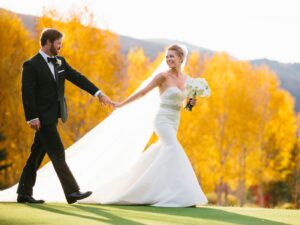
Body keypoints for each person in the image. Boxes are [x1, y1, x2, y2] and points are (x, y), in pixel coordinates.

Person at [17, 28, 114, 204]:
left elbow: (78, 78)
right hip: (41, 118)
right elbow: (27, 93)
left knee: (36, 154)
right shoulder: (30, 65)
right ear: (47, 42)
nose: (60, 46)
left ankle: (24, 192)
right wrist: (32, 117)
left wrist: (99, 93)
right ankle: (72, 192)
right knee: (58, 152)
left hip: (54, 116)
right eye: (58, 43)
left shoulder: (60, 62)